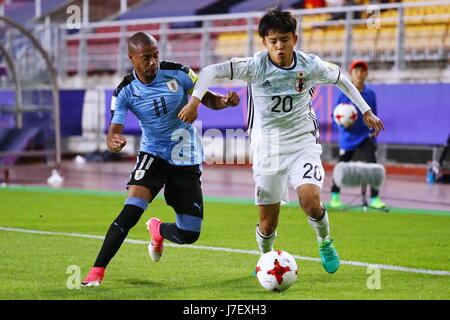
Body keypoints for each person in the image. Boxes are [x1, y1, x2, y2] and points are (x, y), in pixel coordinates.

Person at [179, 7, 384, 274]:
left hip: (302, 143)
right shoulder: (254, 66)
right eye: (273, 41)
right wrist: (195, 102)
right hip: (268, 149)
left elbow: (341, 80)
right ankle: (266, 261)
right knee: (268, 224)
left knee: (310, 201)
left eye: (285, 40)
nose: (279, 46)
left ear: (294, 39)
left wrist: (366, 110)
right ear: (264, 42)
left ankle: (325, 242)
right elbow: (208, 71)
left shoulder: (309, 65)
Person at [81, 32, 240, 286]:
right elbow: (113, 132)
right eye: (146, 58)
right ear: (131, 58)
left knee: (189, 234)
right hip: (153, 153)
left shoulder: (178, 72)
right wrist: (114, 142)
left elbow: (209, 98)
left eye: (155, 56)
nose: (153, 62)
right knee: (131, 211)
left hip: (185, 156)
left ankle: (157, 229)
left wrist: (225, 102)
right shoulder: (124, 91)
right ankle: (96, 271)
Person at [330, 60, 386, 209]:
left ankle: (375, 198)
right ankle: (335, 196)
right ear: (351, 74)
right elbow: (335, 116)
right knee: (342, 165)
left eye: (362, 71)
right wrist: (343, 126)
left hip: (364, 136)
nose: (359, 74)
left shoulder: (370, 94)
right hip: (348, 137)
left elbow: (373, 114)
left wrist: (374, 131)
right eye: (356, 71)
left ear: (366, 74)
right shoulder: (344, 93)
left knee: (372, 163)